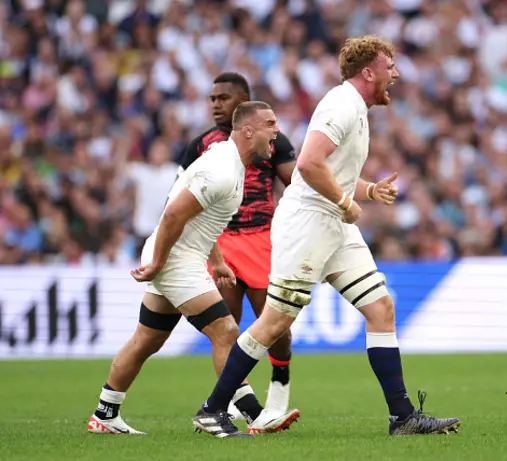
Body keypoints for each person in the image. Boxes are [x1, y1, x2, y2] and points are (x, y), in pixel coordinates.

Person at [196, 36, 461, 436]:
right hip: (309, 224)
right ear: (368, 72)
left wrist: (367, 192)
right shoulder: (341, 105)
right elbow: (307, 163)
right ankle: (212, 408)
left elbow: (331, 171)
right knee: (274, 323)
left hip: (333, 224)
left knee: (381, 308)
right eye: (390, 67)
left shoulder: (354, 107)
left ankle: (402, 416)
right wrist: (343, 198)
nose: (397, 74)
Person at [87, 101, 299, 438]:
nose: (277, 131)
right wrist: (158, 262)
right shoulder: (223, 168)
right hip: (174, 258)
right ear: (247, 130)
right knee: (226, 331)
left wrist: (215, 260)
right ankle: (243, 414)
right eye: (270, 123)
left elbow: (201, 216)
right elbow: (174, 214)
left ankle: (105, 414)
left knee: (147, 339)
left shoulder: (232, 162)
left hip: (178, 254)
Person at [178, 72, 297, 422]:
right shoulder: (200, 145)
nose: (216, 104)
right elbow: (180, 193)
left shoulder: (274, 141)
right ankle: (233, 403)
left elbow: (296, 184)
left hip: (262, 240)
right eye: (212, 99)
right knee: (225, 327)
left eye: (223, 98)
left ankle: (281, 375)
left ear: (243, 100)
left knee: (276, 326)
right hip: (221, 242)